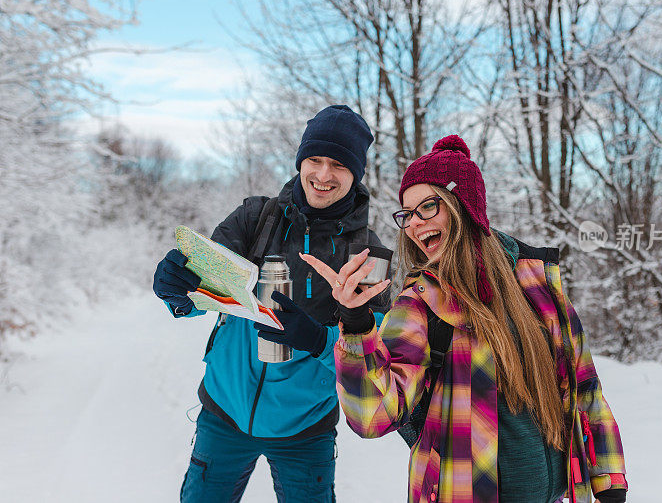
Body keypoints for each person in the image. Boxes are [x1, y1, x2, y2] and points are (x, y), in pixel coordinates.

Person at [299, 135, 628, 503]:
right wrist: (357, 323)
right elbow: (373, 415)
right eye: (407, 214)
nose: (414, 224)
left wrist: (609, 481)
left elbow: (585, 388)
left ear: (463, 205)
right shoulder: (420, 302)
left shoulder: (537, 281)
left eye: (428, 206)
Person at [152, 105, 390, 503]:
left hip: (306, 429)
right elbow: (206, 291)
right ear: (301, 161)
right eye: (315, 159)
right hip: (223, 413)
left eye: (338, 165)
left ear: (356, 173)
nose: (324, 174)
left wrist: (318, 339)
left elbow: (373, 356)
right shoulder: (255, 218)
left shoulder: (368, 255)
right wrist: (178, 291)